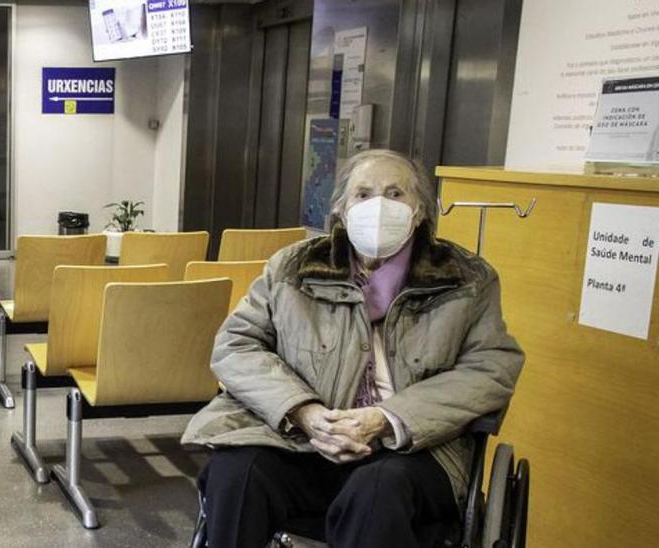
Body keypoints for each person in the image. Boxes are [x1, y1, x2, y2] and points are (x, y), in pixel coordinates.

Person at [181, 149, 525, 548]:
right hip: (299, 441)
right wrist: (303, 411)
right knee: (236, 472)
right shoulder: (292, 268)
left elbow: (492, 368)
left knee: (378, 488)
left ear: (419, 212)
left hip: (409, 453)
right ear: (341, 210)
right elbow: (236, 344)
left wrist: (387, 418)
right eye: (364, 194)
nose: (379, 205)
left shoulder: (466, 279)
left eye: (396, 193)